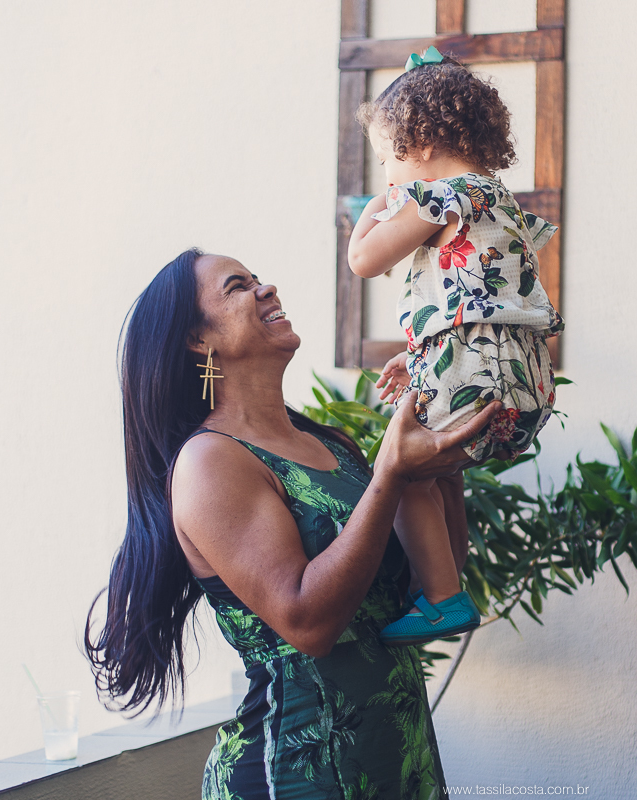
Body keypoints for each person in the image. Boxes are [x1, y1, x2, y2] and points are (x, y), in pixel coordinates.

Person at [85, 248, 498, 799]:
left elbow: (428, 580)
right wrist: (390, 478)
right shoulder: (211, 462)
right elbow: (307, 623)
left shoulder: (330, 445)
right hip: (295, 773)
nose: (266, 289)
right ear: (196, 340)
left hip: (401, 761)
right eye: (237, 286)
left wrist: (445, 463)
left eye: (258, 278)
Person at [347, 48, 563, 646]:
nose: (388, 176)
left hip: (475, 378)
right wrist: (414, 356)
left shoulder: (442, 194)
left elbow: (365, 260)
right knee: (441, 473)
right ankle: (444, 576)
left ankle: (441, 596)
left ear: (418, 144)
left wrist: (369, 212)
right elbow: (474, 303)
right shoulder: (495, 198)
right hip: (517, 383)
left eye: (388, 160)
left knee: (406, 472)